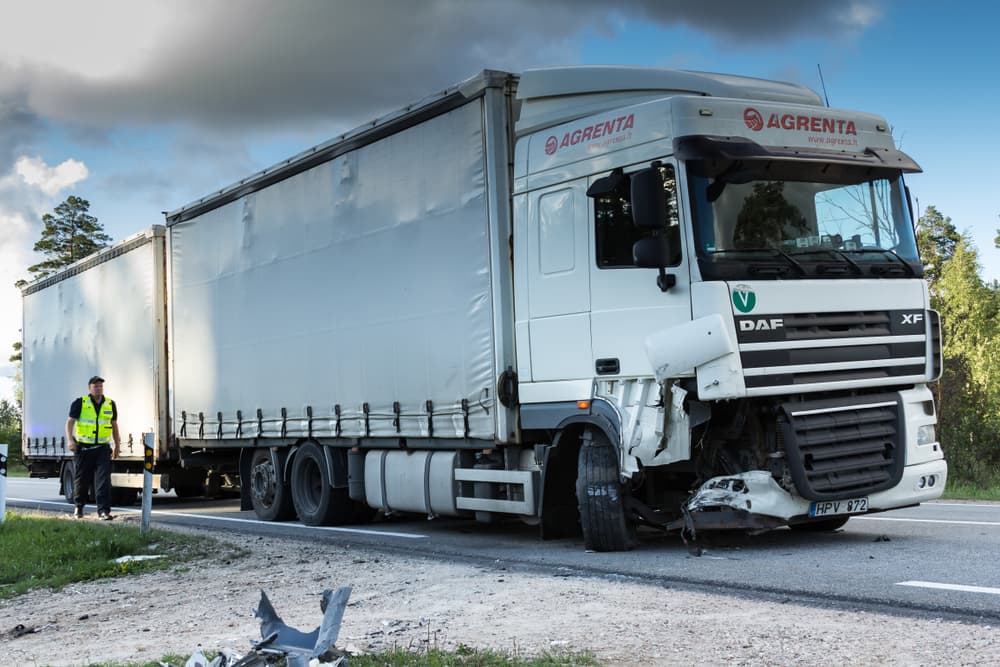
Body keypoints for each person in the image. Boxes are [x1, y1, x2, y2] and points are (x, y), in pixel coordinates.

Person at [65, 375, 121, 520]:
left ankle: (103, 511)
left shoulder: (110, 404)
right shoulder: (80, 403)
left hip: (102, 448)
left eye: (100, 386)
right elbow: (70, 422)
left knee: (103, 481)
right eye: (95, 386)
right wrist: (70, 440)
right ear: (90, 388)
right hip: (84, 449)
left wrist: (117, 445)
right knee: (82, 481)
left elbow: (114, 425)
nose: (98, 388)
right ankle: (79, 507)